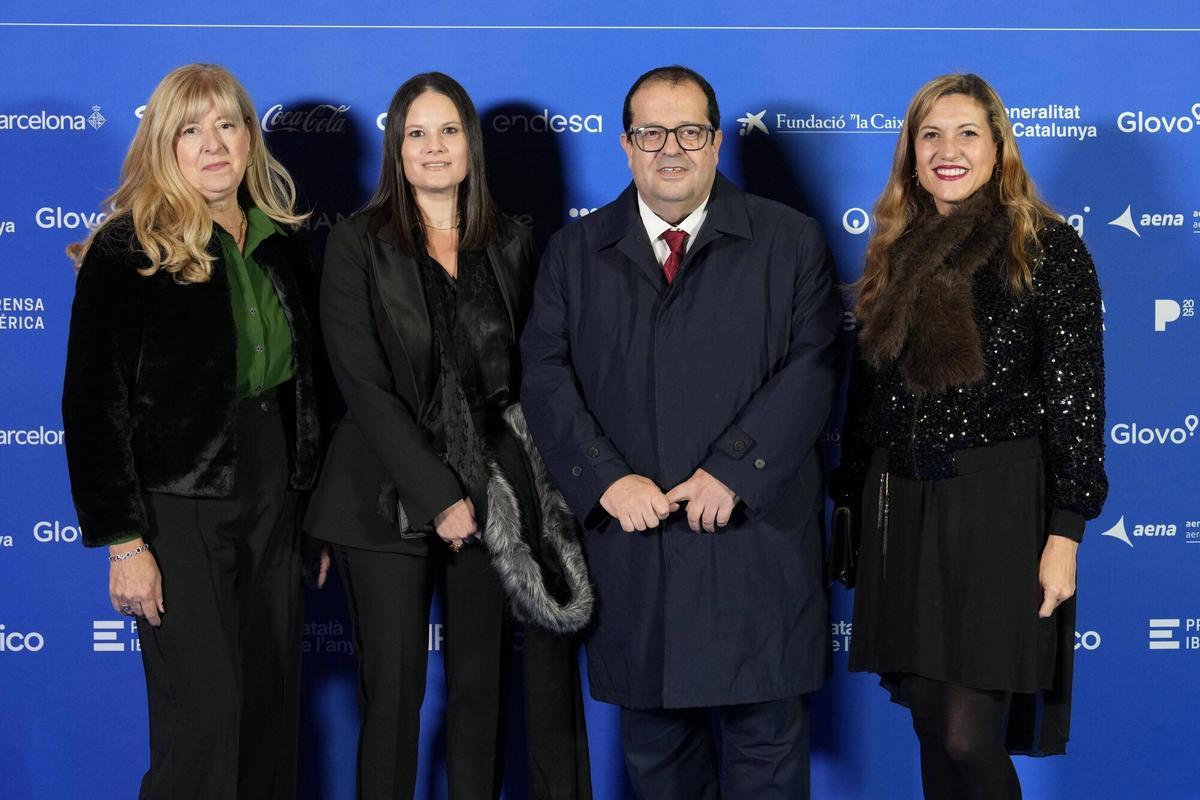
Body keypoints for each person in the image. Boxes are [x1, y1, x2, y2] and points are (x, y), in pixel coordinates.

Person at [520, 65, 842, 799]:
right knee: (658, 769)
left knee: (767, 763)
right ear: (627, 145)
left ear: (717, 141)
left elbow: (815, 364)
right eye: (652, 132)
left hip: (755, 553)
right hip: (641, 554)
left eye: (690, 131)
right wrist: (605, 479)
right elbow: (543, 374)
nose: (672, 149)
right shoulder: (575, 253)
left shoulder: (789, 241)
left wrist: (736, 470)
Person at [304, 71, 593, 800]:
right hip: (382, 494)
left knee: (478, 692)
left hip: (490, 494)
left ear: (471, 146)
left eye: (449, 131)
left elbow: (529, 379)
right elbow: (363, 386)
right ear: (396, 149)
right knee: (394, 702)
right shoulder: (355, 244)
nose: (433, 148)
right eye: (416, 133)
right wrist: (438, 494)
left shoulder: (516, 242)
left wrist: (491, 493)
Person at [833, 73, 1107, 799]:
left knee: (965, 730)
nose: (947, 150)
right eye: (930, 135)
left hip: (1000, 508)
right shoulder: (893, 254)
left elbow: (1076, 398)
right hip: (904, 503)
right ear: (911, 154)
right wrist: (853, 510)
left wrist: (1065, 532)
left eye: (966, 134)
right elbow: (871, 397)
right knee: (928, 718)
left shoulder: (1044, 248)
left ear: (998, 148)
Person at [62, 63, 322, 799]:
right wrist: (125, 544)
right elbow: (92, 407)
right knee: (206, 715)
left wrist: (315, 513)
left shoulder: (281, 243)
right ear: (162, 145)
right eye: (189, 129)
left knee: (271, 707)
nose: (212, 144)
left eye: (226, 124)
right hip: (177, 508)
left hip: (278, 496)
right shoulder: (127, 250)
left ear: (249, 139)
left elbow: (310, 390)